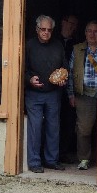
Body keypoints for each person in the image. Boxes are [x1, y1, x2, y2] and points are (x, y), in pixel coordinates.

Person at [23, 15, 68, 173]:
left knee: (53, 127)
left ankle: (51, 160)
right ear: (37, 29)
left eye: (49, 30)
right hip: (34, 94)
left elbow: (64, 67)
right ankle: (34, 162)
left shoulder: (58, 45)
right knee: (35, 127)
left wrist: (64, 79)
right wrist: (29, 79)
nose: (46, 32)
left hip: (53, 93)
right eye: (43, 29)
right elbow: (21, 69)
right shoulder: (28, 45)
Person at [67, 20, 97, 170]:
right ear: (85, 33)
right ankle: (84, 159)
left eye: (96, 31)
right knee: (84, 129)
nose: (92, 34)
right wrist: (70, 95)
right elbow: (70, 73)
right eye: (89, 31)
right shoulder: (77, 49)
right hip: (84, 94)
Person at [57, 14, 79, 163]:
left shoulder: (77, 45)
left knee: (69, 121)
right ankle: (51, 154)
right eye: (70, 23)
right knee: (53, 120)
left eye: (75, 25)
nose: (71, 27)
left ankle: (64, 152)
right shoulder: (52, 40)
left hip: (70, 90)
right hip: (53, 89)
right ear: (62, 22)